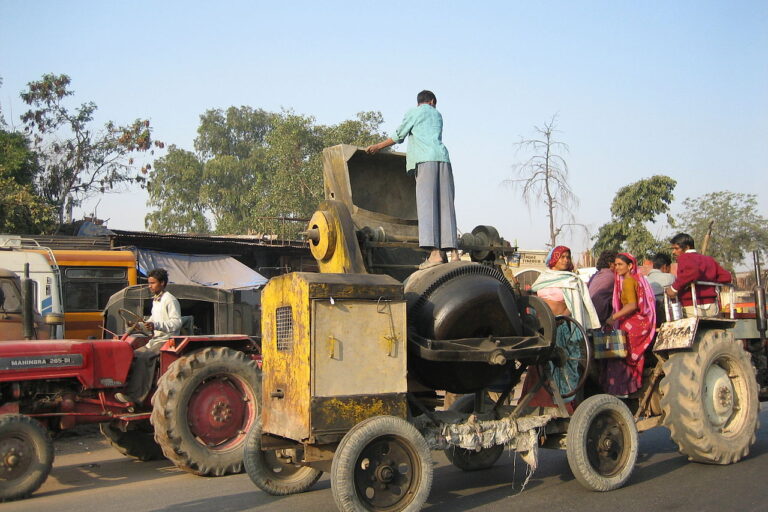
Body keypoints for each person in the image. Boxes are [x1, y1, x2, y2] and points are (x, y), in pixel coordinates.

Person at [366, 90, 458, 269]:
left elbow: (399, 135)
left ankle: (434, 254)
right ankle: (454, 253)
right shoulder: (437, 114)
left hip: (425, 161)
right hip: (444, 160)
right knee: (446, 205)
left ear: (423, 102)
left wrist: (378, 147)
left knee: (427, 206)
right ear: (432, 102)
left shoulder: (416, 112)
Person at [523, 246, 599, 403]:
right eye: (562, 257)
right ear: (554, 259)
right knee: (539, 367)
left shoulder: (572, 280)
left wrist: (558, 320)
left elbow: (574, 306)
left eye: (568, 257)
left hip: (563, 328)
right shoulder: (542, 279)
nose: (565, 260)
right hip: (543, 329)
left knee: (563, 366)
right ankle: (537, 404)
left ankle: (564, 406)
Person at [116, 268, 181, 404]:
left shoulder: (170, 300)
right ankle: (125, 388)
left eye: (153, 283)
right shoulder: (156, 300)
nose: (149, 286)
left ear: (162, 283)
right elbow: (153, 319)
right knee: (132, 354)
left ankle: (136, 397)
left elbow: (176, 323)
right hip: (156, 339)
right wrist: (139, 324)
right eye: (149, 283)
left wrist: (156, 325)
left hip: (166, 340)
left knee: (144, 357)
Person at [600, 253, 656, 397]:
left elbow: (631, 305)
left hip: (633, 322)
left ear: (630, 266)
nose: (616, 268)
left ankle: (621, 390)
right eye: (616, 264)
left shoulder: (628, 281)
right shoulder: (639, 279)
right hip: (642, 322)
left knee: (616, 351)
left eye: (620, 265)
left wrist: (613, 317)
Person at [665, 233, 732, 318]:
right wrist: (709, 279)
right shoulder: (709, 260)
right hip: (712, 307)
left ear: (687, 247)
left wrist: (674, 288)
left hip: (692, 307)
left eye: (676, 248)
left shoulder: (684, 257)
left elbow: (692, 272)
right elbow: (726, 276)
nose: (673, 252)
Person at [588, 250, 617, 324]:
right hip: (600, 318)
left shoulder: (595, 275)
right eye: (617, 264)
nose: (618, 267)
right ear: (611, 264)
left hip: (589, 315)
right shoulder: (613, 277)